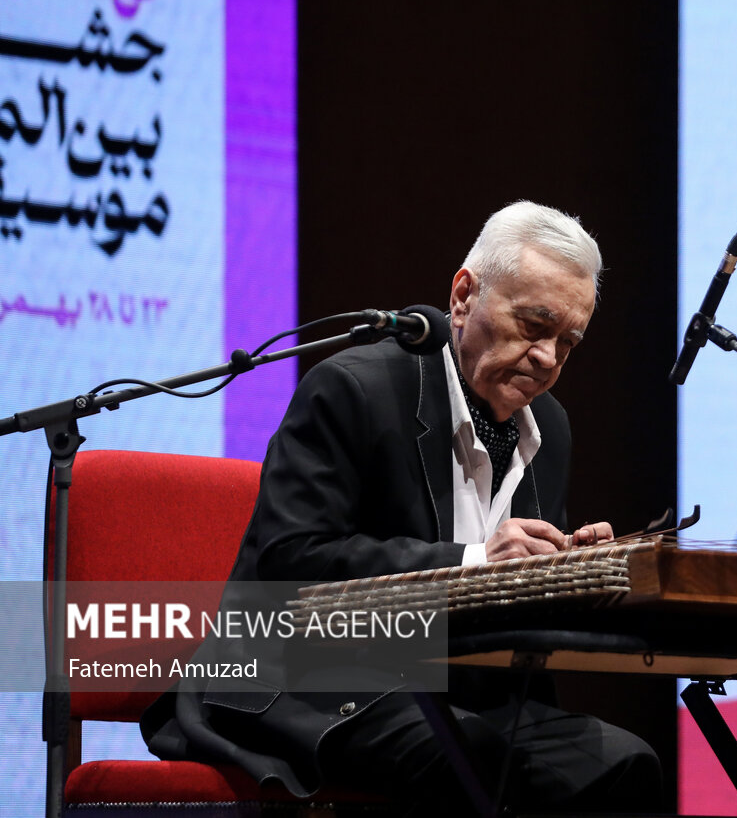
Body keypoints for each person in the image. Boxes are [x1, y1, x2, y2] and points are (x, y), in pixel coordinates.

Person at [141, 201, 662, 814]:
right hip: (301, 676)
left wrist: (565, 574)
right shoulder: (352, 389)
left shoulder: (549, 426)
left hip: (455, 690)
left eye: (567, 342)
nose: (548, 358)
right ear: (464, 296)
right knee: (474, 762)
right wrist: (475, 562)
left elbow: (513, 597)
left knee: (629, 765)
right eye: (532, 325)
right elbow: (292, 565)